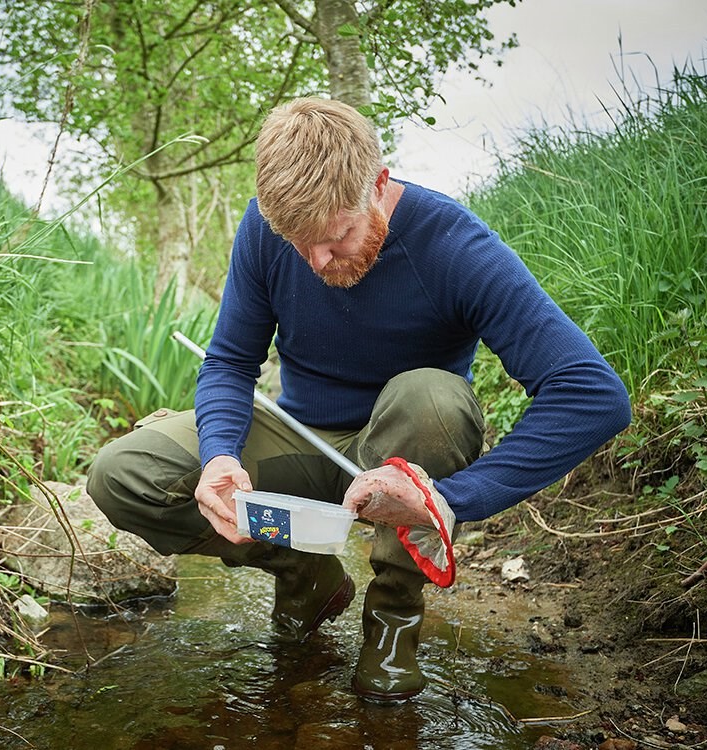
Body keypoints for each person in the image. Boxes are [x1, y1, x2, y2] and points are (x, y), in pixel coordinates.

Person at [86, 96, 631, 703]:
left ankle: (392, 622)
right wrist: (218, 455)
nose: (317, 261)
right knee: (123, 474)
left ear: (378, 183)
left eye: (336, 236)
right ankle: (305, 575)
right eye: (298, 242)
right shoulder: (265, 230)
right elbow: (231, 363)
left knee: (432, 397)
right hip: (302, 439)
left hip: (402, 455)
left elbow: (592, 393)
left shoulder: (454, 247)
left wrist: (447, 500)